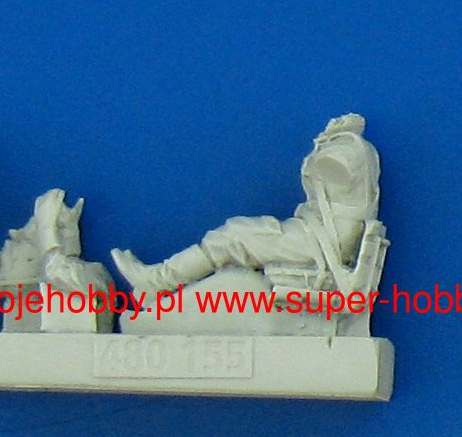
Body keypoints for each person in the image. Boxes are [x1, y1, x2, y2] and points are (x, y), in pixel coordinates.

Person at [111, 113, 388, 300]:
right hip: (320, 234)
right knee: (239, 233)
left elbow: (324, 167)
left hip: (321, 242)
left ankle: (157, 281)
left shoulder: (346, 151)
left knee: (234, 236)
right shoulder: (357, 152)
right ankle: (158, 279)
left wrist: (326, 144)